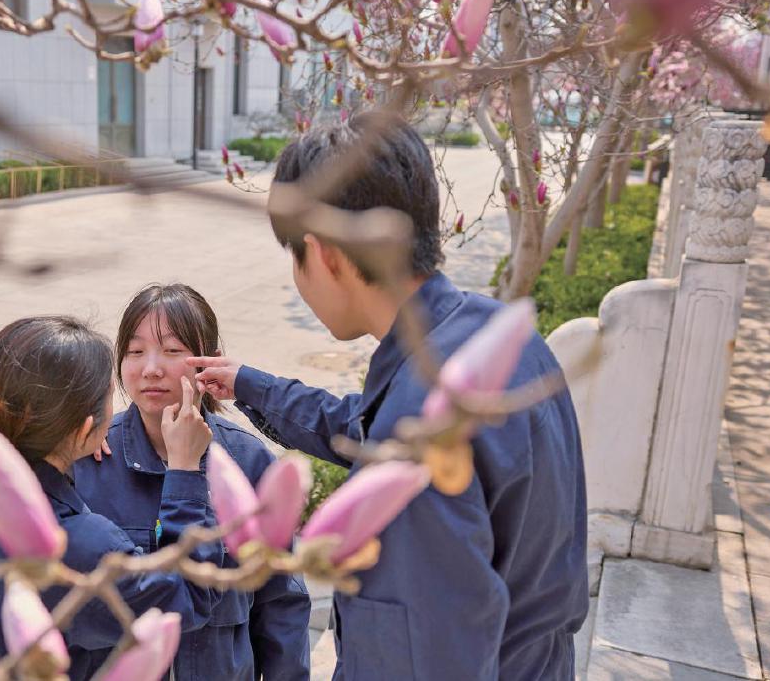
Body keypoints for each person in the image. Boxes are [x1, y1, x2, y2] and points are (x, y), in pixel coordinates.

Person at [189, 112, 589, 679]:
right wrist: (251, 384)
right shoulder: (495, 336)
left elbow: (413, 658)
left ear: (323, 254)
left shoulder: (413, 435)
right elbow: (363, 423)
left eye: (294, 258)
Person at [0, 315, 223, 679]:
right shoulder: (81, 543)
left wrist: (71, 454)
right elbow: (189, 597)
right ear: (85, 427)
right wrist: (185, 469)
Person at [74, 283, 312, 680]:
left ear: (210, 361)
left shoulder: (247, 461)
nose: (151, 368)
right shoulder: (92, 460)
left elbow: (281, 601)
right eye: (135, 351)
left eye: (172, 351)